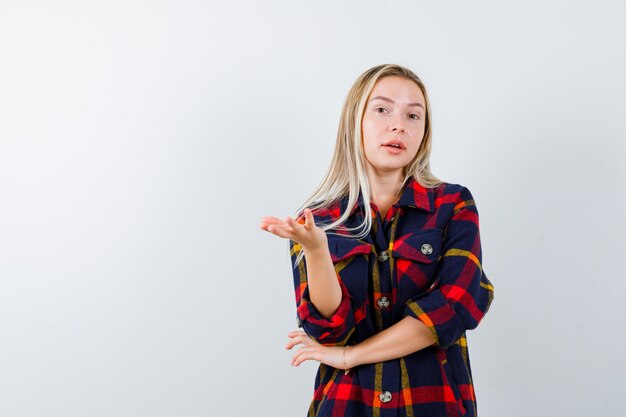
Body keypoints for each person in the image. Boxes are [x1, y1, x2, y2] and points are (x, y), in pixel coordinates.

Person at [260, 63, 495, 417]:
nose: (398, 124)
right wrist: (316, 250)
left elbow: (454, 306)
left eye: (413, 115)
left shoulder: (453, 205)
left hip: (435, 405)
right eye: (382, 109)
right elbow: (329, 330)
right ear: (355, 121)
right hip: (346, 405)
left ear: (424, 131)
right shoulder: (317, 220)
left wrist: (351, 356)